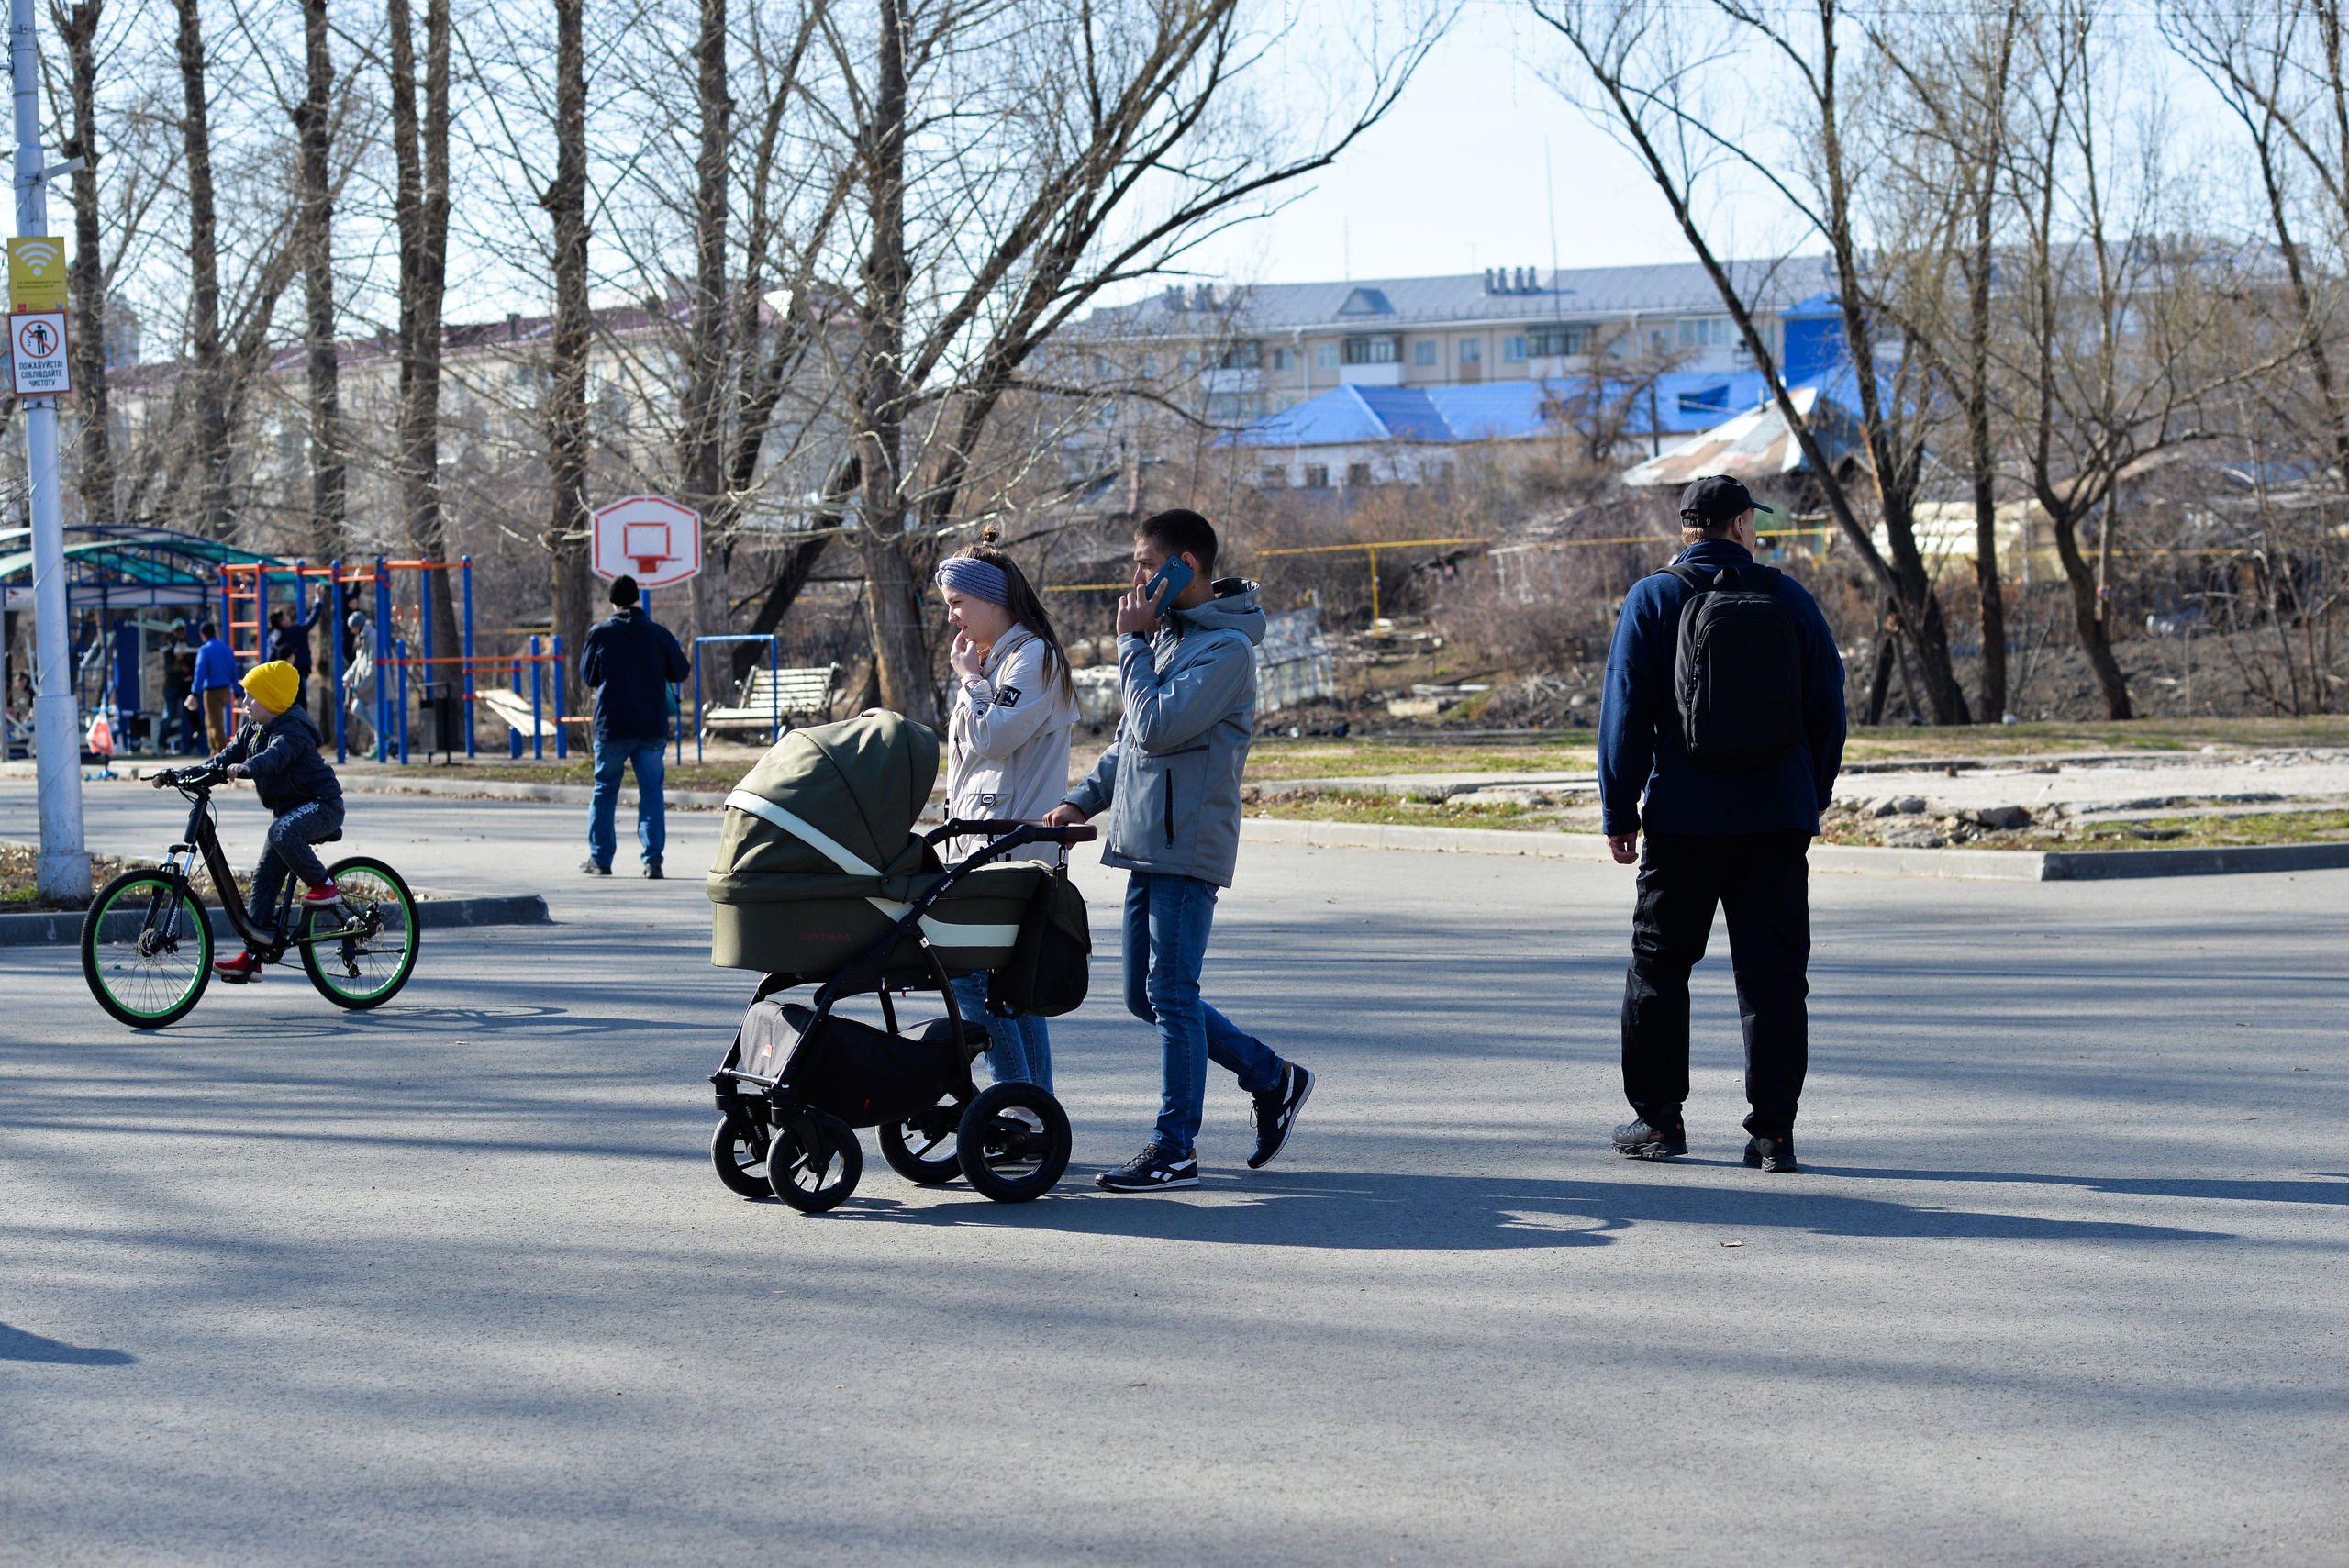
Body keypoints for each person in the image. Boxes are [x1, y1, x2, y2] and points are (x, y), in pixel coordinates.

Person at [1044, 508, 1314, 1193]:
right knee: (1146, 995)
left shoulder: (1227, 650)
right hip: (1145, 840)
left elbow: (1157, 725)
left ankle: (1175, 1148)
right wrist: (1080, 801)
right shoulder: (1170, 637)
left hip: (1187, 845)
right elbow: (1128, 744)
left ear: (1183, 564)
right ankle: (1271, 1077)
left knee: (1171, 990)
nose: (1135, 577)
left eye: (1144, 563)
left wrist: (1129, 645)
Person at [1599, 474, 1847, 1174]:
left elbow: (1625, 711)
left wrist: (1620, 810)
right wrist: (1811, 795)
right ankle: (1774, 1133)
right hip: (1776, 821)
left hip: (1685, 819)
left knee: (1659, 967)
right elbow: (1829, 705)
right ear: (1739, 525)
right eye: (1753, 522)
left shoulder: (1654, 598)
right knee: (1774, 979)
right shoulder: (1790, 597)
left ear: (1687, 529)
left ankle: (1658, 1120)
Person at [933, 528, 1081, 1094]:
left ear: (992, 598)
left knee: (969, 975)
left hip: (1011, 844)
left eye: (957, 602)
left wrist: (970, 681)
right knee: (1009, 985)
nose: (951, 616)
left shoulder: (1031, 657)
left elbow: (995, 736)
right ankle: (1033, 1109)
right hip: (983, 840)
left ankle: (1015, 1099)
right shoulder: (998, 659)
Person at [161, 659, 346, 984]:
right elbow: (222, 759)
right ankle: (252, 958)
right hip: (291, 814)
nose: (243, 701)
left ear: (271, 699)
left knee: (280, 831)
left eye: (251, 695)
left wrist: (249, 767)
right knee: (263, 879)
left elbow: (275, 757)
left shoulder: (293, 730)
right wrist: (179, 774)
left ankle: (325, 886)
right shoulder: (252, 729)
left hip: (322, 806)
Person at [580, 573, 690, 878]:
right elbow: (680, 671)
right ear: (637, 598)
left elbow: (588, 676)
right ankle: (653, 860)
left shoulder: (601, 633)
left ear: (613, 602)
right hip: (651, 726)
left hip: (612, 726)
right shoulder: (658, 633)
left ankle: (601, 859)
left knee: (605, 790)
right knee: (652, 792)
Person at [268, 599, 330, 715]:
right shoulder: (293, 632)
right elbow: (311, 622)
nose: (289, 617)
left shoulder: (273, 638)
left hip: (280, 678)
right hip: (296, 674)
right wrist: (318, 602)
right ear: (282, 621)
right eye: (286, 616)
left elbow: (269, 659)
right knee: (300, 706)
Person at [186, 621, 239, 752]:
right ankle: (215, 750)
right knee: (214, 719)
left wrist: (194, 693)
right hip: (226, 690)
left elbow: (200, 673)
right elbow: (234, 672)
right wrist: (237, 693)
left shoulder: (205, 650)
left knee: (214, 722)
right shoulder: (227, 649)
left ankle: (219, 752)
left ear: (202, 635)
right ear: (215, 632)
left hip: (212, 691)